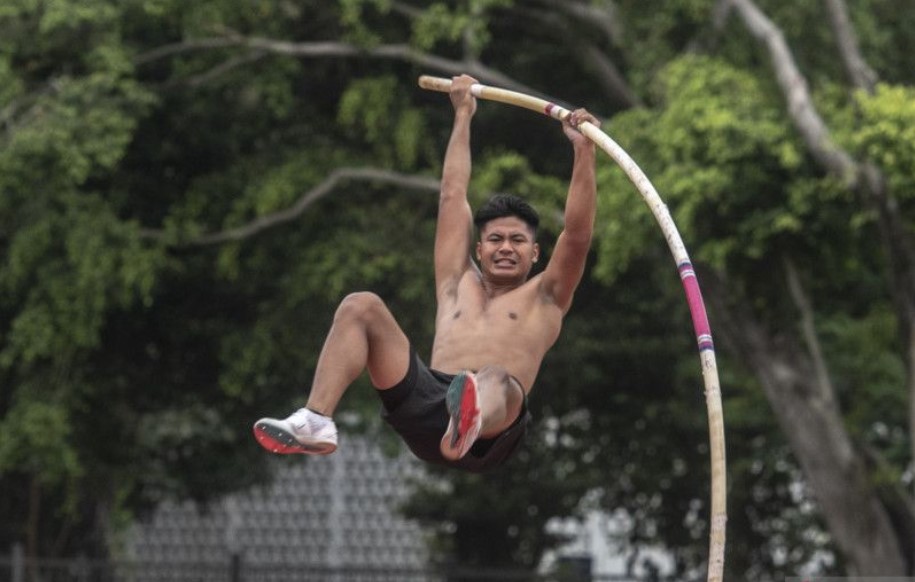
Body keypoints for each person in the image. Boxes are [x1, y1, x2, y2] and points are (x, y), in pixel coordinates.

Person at [253, 74, 599, 472]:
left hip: (495, 421)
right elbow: (452, 194)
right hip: (431, 405)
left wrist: (583, 151)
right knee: (361, 306)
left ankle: (468, 420)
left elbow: (577, 234)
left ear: (536, 252)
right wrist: (464, 115)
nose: (506, 247)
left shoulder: (547, 296)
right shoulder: (456, 282)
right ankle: (316, 420)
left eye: (518, 241)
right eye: (496, 239)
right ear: (479, 248)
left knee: (495, 377)